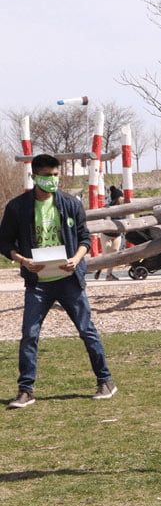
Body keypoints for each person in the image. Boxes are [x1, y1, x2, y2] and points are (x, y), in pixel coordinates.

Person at [1, 154, 115, 409]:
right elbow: (5, 243)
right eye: (47, 176)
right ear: (34, 176)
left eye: (55, 175)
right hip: (37, 282)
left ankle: (105, 381)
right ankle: (25, 390)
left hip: (69, 279)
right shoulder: (17, 207)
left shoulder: (70, 204)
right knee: (29, 335)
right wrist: (22, 260)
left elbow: (85, 238)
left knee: (87, 330)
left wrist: (76, 259)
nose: (52, 180)